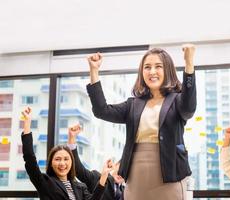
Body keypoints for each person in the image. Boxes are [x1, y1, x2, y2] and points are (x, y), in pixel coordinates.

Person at [86, 44, 196, 200]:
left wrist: (189, 63)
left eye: (158, 66)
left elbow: (189, 108)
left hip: (172, 173)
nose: (152, 72)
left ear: (168, 70)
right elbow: (101, 110)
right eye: (147, 67)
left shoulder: (177, 101)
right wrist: (94, 71)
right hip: (136, 174)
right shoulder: (133, 105)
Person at [21, 107, 111, 200]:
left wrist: (104, 176)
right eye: (57, 159)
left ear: (72, 162)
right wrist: (27, 122)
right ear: (51, 163)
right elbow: (30, 159)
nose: (62, 163)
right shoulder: (45, 182)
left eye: (66, 159)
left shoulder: (80, 187)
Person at [67, 124, 125, 200]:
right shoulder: (97, 178)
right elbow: (79, 170)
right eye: (122, 168)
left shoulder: (125, 192)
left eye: (126, 172)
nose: (122, 174)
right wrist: (72, 139)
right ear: (116, 165)